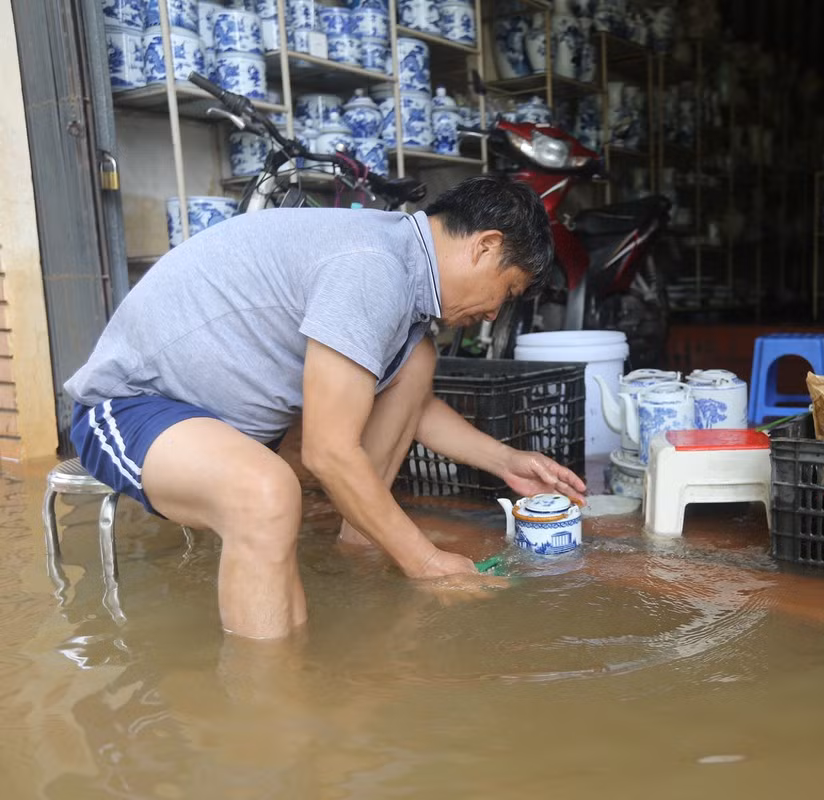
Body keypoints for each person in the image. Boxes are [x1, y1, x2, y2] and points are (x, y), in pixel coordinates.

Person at [63, 175, 586, 640]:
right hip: (134, 407)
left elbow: (413, 407)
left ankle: (352, 555)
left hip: (228, 429)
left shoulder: (398, 269)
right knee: (264, 493)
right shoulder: (373, 268)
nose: (494, 312)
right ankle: (266, 719)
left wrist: (505, 461)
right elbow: (328, 452)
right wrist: (425, 561)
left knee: (417, 363)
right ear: (486, 246)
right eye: (507, 290)